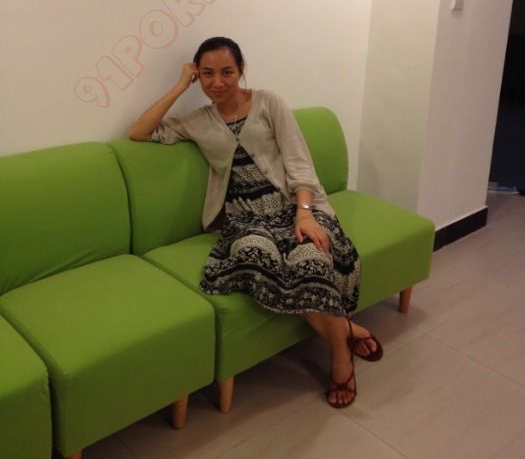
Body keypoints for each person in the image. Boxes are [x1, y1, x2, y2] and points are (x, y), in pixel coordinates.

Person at [129, 36, 383, 408]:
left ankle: (341, 356)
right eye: (207, 74)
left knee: (311, 260)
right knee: (255, 256)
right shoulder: (197, 121)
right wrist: (180, 86)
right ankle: (346, 330)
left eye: (227, 72)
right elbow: (140, 132)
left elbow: (299, 163)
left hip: (293, 205)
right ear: (198, 76)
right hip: (245, 219)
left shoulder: (269, 103)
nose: (218, 82)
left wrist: (304, 213)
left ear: (241, 70)